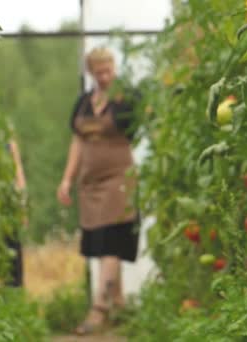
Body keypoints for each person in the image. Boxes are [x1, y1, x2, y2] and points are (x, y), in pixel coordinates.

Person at [57, 47, 139, 335]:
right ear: (91, 72)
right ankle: (119, 307)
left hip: (119, 179)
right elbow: (77, 144)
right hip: (90, 184)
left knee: (111, 243)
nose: (105, 77)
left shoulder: (126, 99)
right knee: (101, 242)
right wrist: (67, 180)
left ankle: (99, 309)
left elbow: (140, 127)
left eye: (109, 70)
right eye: (99, 72)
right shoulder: (83, 103)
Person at [4, 138, 27, 287]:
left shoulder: (7, 139)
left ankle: (14, 299)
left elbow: (18, 172)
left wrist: (22, 206)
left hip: (8, 207)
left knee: (13, 261)